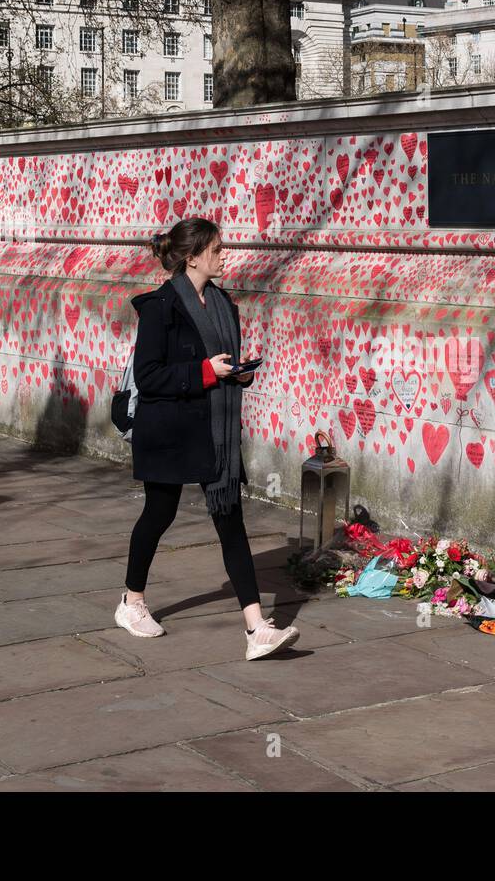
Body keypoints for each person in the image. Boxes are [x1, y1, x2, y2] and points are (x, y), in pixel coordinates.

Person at [114, 217, 299, 661]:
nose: (224, 255)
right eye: (216, 249)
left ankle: (257, 628)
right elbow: (150, 376)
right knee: (159, 514)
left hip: (214, 434)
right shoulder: (160, 307)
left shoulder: (222, 303)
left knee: (230, 520)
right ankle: (131, 601)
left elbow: (221, 363)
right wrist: (204, 372)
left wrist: (237, 373)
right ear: (192, 256)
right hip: (169, 431)